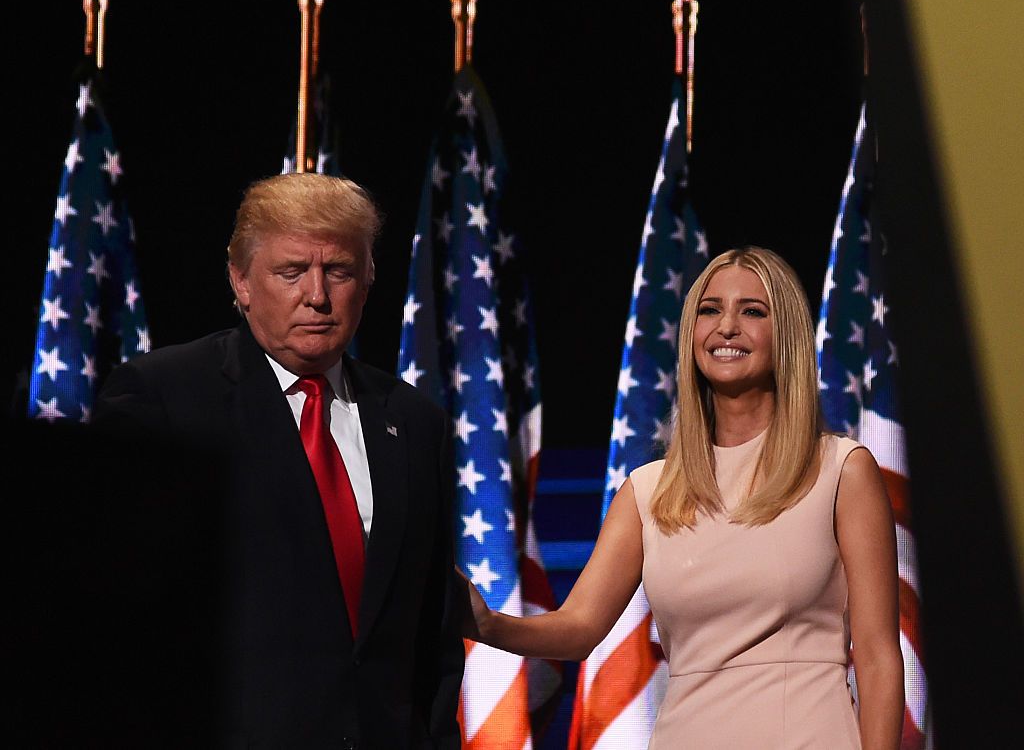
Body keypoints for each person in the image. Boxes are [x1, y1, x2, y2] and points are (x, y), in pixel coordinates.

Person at [463, 247, 904, 749]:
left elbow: (877, 657)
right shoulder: (649, 491)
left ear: (789, 339)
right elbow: (579, 628)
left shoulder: (842, 470)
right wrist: (488, 623)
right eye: (710, 310)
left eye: (753, 311)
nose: (727, 327)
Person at [95, 173, 463, 748]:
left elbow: (432, 632)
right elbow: (119, 619)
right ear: (241, 281)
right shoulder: (164, 398)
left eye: (338, 271)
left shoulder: (415, 421)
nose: (317, 295)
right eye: (291, 272)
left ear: (367, 279)